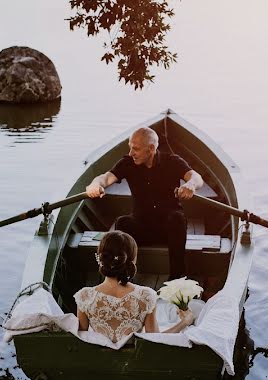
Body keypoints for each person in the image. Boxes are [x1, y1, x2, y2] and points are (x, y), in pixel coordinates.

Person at [85, 127, 203, 280]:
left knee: (177, 219)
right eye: (130, 147)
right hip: (142, 226)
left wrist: (191, 185)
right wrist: (94, 185)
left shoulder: (172, 161)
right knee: (122, 223)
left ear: (151, 149)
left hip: (169, 230)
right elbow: (106, 178)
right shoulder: (127, 163)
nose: (130, 153)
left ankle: (177, 277)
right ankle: (122, 276)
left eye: (136, 149)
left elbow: (196, 177)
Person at [74, 231, 194, 343]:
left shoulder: (85, 296)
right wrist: (185, 322)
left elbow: (82, 340)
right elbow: (156, 340)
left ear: (101, 258)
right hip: (135, 362)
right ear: (132, 260)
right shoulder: (146, 296)